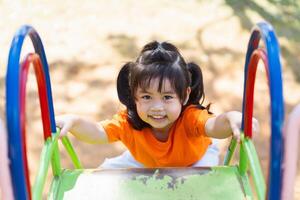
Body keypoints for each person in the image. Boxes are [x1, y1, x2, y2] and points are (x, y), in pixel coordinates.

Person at [56, 41, 259, 168]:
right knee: (106, 174)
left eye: (167, 97)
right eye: (146, 97)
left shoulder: (190, 118)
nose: (157, 107)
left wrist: (234, 118)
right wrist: (73, 122)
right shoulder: (128, 121)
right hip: (145, 160)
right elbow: (98, 132)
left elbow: (214, 126)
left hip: (194, 161)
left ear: (185, 95)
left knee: (201, 188)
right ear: (133, 96)